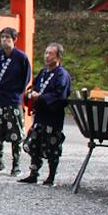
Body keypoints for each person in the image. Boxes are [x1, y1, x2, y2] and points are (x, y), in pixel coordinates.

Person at [19, 42, 72, 186]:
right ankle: (33, 173)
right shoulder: (43, 72)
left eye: (50, 54)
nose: (47, 56)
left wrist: (40, 97)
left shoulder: (62, 75)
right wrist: (30, 94)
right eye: (46, 53)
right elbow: (34, 86)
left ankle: (51, 176)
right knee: (34, 144)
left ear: (58, 57)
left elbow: (59, 95)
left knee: (52, 146)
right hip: (40, 115)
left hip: (53, 117)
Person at [0, 27, 32, 175]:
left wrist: (17, 92)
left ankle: (16, 164)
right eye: (2, 37)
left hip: (13, 99)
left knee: (15, 134)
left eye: (8, 38)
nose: (4, 40)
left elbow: (26, 78)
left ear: (14, 40)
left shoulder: (21, 57)